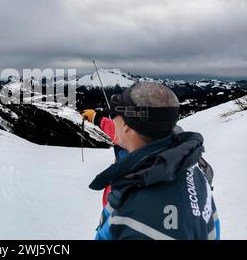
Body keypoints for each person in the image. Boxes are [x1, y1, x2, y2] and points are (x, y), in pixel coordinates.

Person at [84, 82, 219, 240]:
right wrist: (96, 118)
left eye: (114, 115)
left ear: (127, 126)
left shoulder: (139, 218)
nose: (112, 120)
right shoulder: (184, 162)